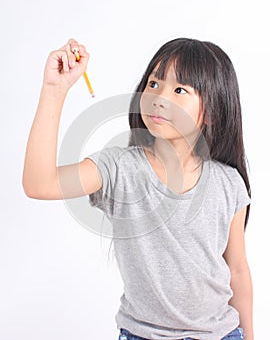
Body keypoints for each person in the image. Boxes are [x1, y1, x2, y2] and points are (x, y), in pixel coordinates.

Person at [22, 38, 253, 340]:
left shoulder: (228, 183)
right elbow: (40, 184)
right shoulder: (119, 168)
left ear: (211, 111)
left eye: (179, 89)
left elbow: (237, 270)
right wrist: (55, 91)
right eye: (154, 83)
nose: (159, 96)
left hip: (222, 334)